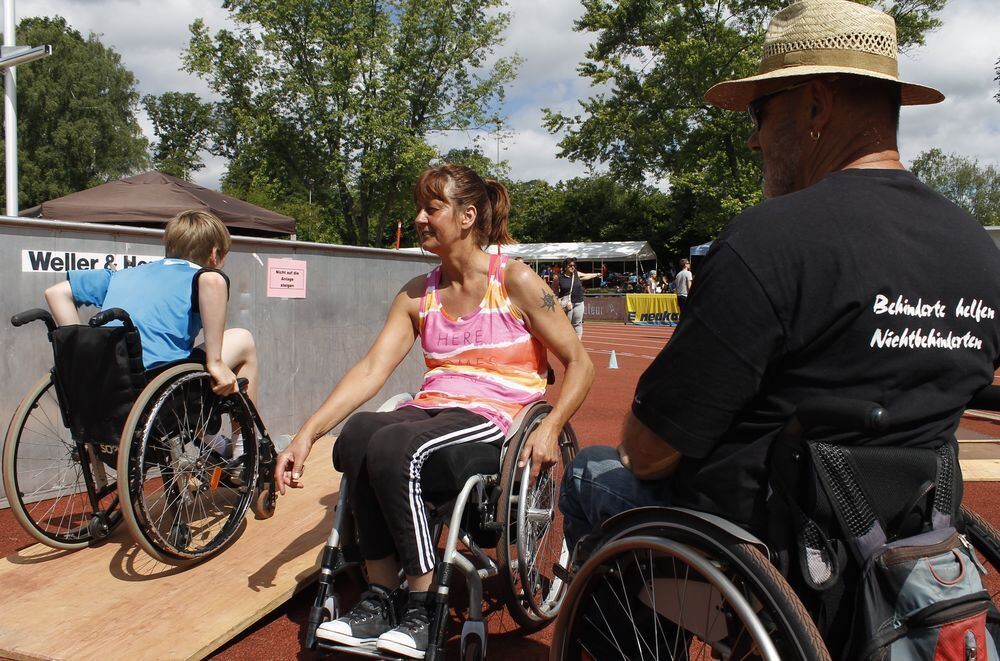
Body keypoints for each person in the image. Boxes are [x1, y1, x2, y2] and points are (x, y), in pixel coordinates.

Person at [559, 0, 1000, 655]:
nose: (752, 137)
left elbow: (650, 451)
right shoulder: (977, 250)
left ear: (816, 106)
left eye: (760, 112)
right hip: (910, 549)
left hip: (769, 562)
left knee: (592, 475)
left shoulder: (769, 242)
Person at [274, 164, 594, 658]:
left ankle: (422, 604)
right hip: (435, 407)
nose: (420, 218)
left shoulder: (515, 281)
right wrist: (307, 434)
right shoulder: (415, 293)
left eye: (432, 207)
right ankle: (381, 596)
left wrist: (551, 427)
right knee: (360, 434)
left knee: (396, 445)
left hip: (497, 415)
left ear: (467, 216)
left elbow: (581, 363)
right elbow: (370, 371)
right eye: (419, 208)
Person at [44, 209, 259, 457]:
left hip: (110, 386)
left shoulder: (121, 275)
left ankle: (214, 442)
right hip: (160, 387)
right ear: (214, 254)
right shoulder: (202, 276)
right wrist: (216, 362)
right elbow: (213, 282)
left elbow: (56, 292)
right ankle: (243, 450)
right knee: (243, 340)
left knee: (185, 365)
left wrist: (83, 358)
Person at [557, 258, 601, 338]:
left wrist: (597, 274)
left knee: (577, 324)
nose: (573, 267)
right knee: (567, 325)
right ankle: (566, 342)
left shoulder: (576, 274)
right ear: (565, 267)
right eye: (570, 265)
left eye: (574, 265)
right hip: (566, 305)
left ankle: (577, 344)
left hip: (578, 303)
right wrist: (560, 302)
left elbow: (587, 275)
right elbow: (553, 291)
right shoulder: (559, 278)